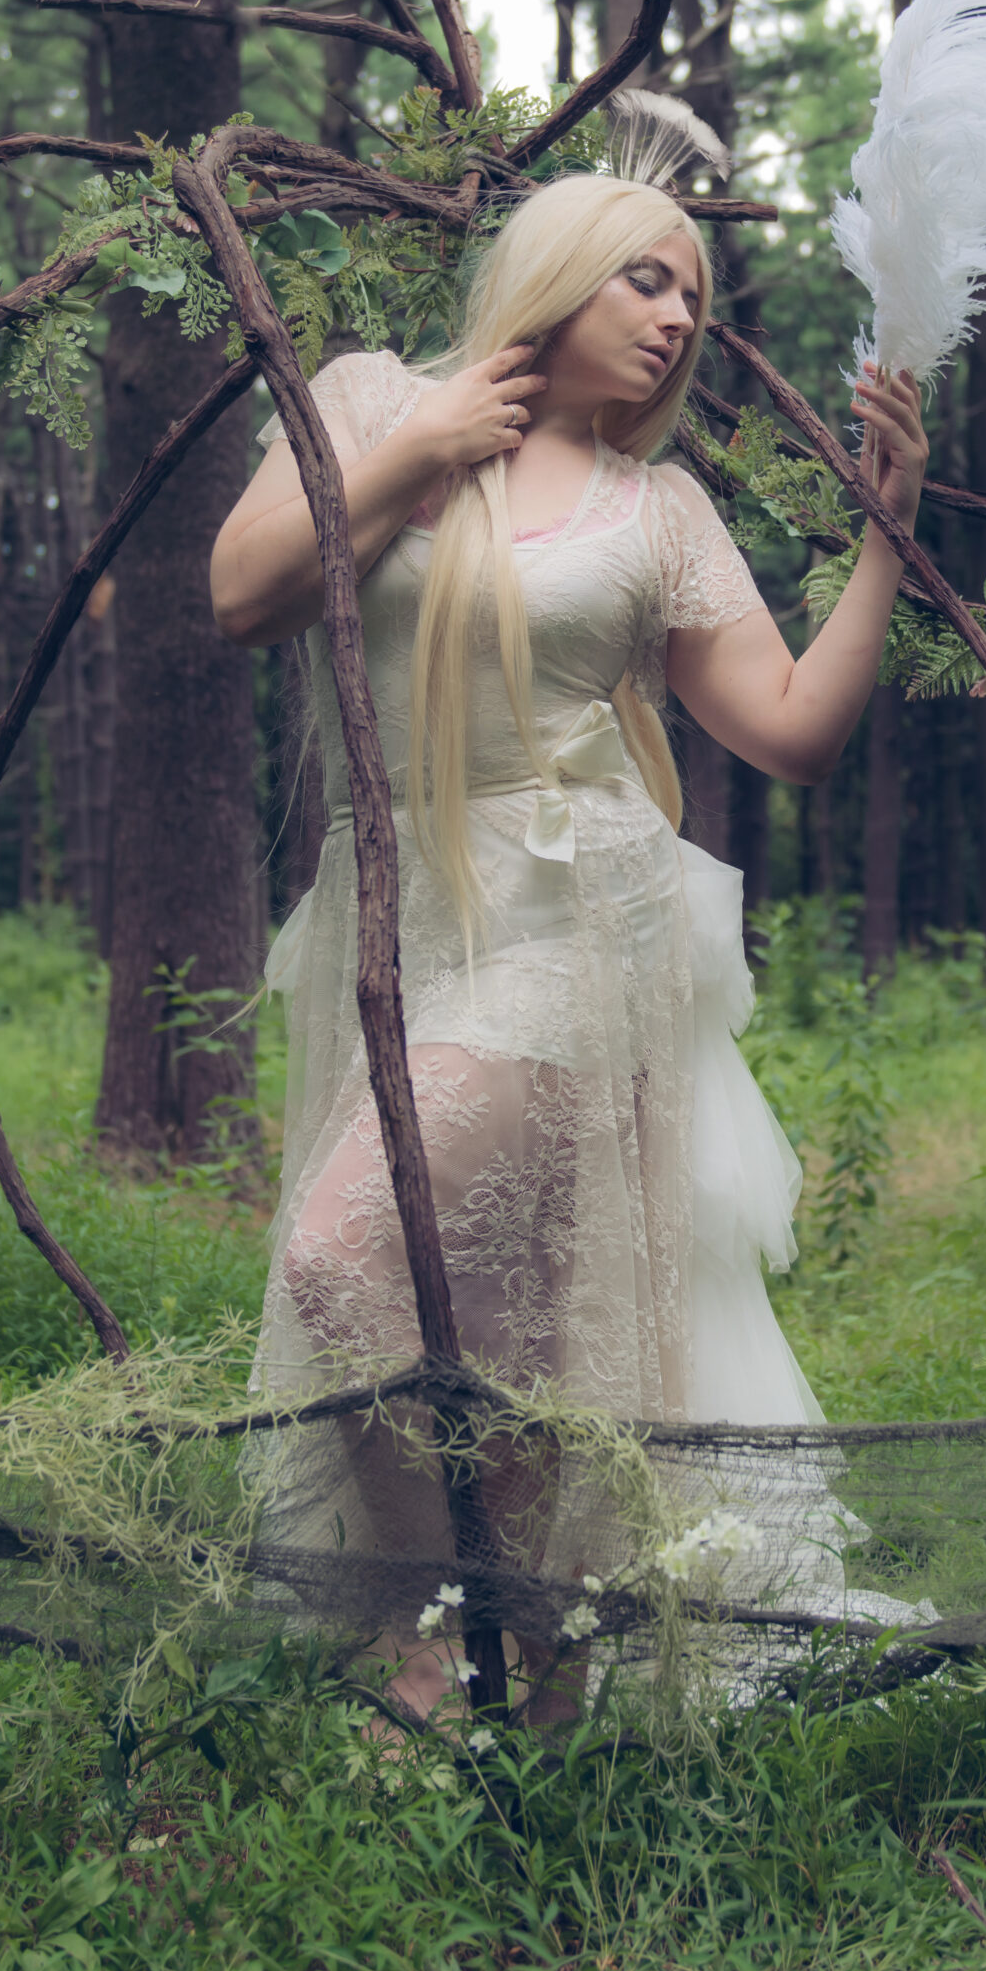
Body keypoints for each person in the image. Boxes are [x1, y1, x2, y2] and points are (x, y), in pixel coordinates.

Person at [210, 164, 927, 1713]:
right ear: (560, 270)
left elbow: (792, 730)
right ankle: (539, 1647)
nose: (679, 321)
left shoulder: (657, 509)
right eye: (648, 282)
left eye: (696, 299)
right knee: (501, 1317)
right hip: (393, 912)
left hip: (572, 919)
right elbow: (245, 593)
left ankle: (451, 1631)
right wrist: (419, 452)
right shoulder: (367, 400)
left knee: (344, 1261)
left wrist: (887, 533)